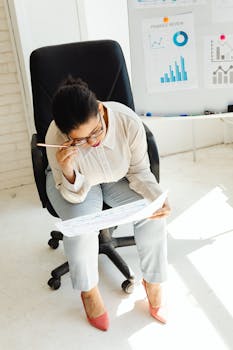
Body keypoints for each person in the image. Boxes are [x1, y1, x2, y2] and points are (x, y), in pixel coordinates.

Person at [45, 76, 171, 331]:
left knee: (153, 211)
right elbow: (74, 196)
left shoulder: (127, 122)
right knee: (80, 226)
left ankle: (153, 281)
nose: (93, 142)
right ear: (67, 135)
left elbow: (139, 172)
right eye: (81, 140)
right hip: (76, 184)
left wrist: (157, 196)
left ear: (101, 110)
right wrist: (68, 168)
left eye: (96, 131)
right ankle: (89, 291)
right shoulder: (55, 137)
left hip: (119, 177)